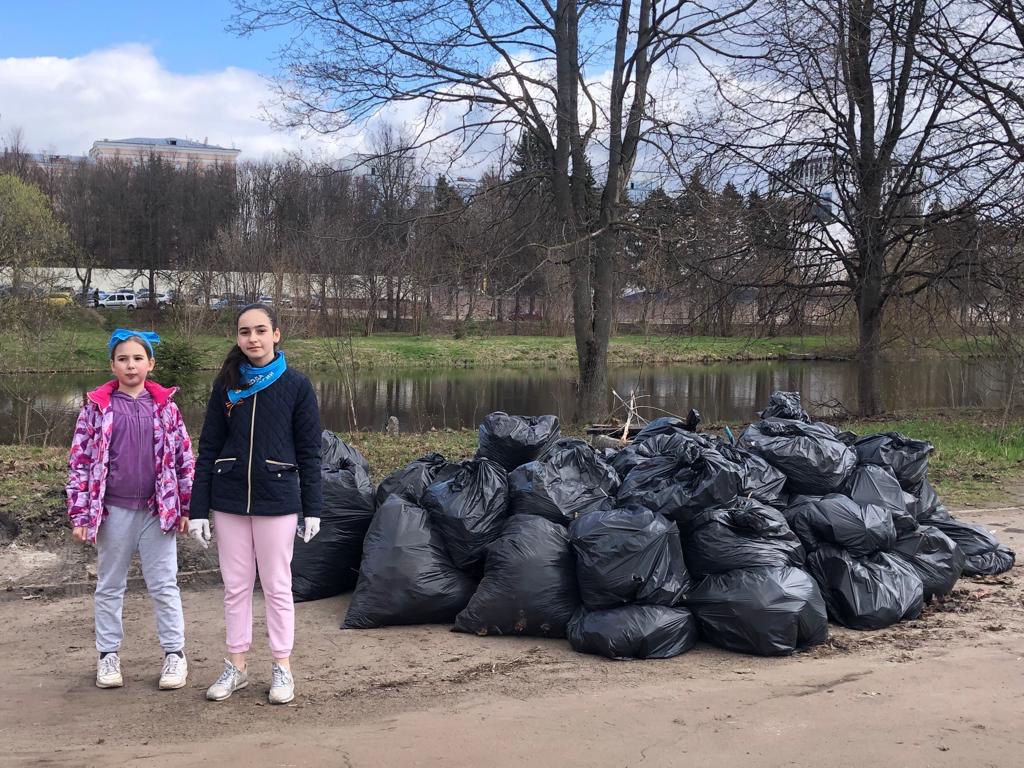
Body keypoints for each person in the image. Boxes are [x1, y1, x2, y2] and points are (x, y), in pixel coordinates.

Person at [189, 304, 322, 705]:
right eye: (245, 332)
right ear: (238, 337)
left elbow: (309, 450)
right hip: (229, 499)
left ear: (276, 335)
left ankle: (282, 667)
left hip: (277, 499)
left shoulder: (297, 386)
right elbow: (209, 447)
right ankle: (237, 666)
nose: (253, 339)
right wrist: (198, 508)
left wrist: (312, 506)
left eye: (261, 330)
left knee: (278, 587)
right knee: (235, 587)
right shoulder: (226, 386)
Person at [66, 329, 194, 690]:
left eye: (138, 358)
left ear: (150, 363)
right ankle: (108, 655)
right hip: (113, 512)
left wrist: (185, 505)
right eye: (123, 358)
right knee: (109, 586)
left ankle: (175, 655)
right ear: (113, 365)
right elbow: (80, 461)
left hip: (158, 513)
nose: (131, 365)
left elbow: (184, 460)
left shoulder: (167, 408)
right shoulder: (96, 409)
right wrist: (80, 514)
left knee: (164, 585)